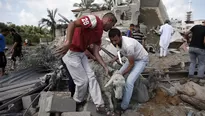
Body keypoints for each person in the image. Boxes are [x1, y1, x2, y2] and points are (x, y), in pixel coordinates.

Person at [56, 13, 117, 114]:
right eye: (112, 25)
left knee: (92, 77)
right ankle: (76, 101)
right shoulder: (93, 20)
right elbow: (72, 24)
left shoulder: (99, 34)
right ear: (109, 20)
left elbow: (96, 53)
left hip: (81, 54)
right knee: (82, 81)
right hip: (71, 53)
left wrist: (105, 66)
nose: (112, 28)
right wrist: (68, 42)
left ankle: (99, 105)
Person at [108, 28, 149, 114]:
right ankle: (119, 96)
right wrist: (113, 59)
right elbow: (122, 52)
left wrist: (121, 74)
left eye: (115, 40)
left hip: (141, 59)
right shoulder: (118, 42)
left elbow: (131, 64)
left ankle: (124, 106)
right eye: (112, 41)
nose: (114, 43)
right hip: (131, 59)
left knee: (129, 82)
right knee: (118, 73)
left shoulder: (128, 45)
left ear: (120, 36)